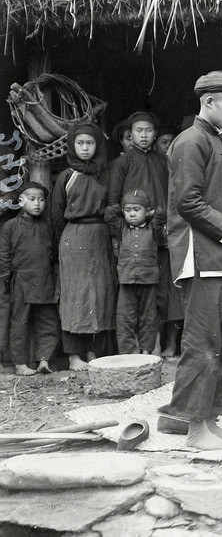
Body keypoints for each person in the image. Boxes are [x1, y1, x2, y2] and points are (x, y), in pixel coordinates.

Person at [162, 71, 222, 451]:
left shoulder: (217, 141)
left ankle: (210, 418)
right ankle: (193, 428)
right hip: (201, 257)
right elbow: (188, 202)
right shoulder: (191, 140)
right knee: (203, 343)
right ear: (208, 102)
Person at [106, 111, 179, 359]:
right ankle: (131, 349)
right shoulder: (121, 164)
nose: (144, 135)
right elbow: (113, 202)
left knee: (157, 294)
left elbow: (171, 195)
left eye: (148, 130)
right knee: (130, 298)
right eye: (139, 131)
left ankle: (153, 345)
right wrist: (118, 236)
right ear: (131, 134)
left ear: (155, 133)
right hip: (131, 236)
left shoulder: (162, 162)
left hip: (158, 234)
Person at [52, 121, 115, 372]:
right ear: (72, 145)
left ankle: (94, 351)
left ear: (97, 145)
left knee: (100, 294)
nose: (85, 148)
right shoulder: (67, 176)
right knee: (75, 296)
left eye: (90, 143)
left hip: (100, 236)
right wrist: (63, 243)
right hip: (74, 236)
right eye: (80, 143)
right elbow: (57, 214)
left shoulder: (105, 173)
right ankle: (73, 355)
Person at [0, 183, 59, 376]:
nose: (37, 204)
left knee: (48, 321)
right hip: (21, 281)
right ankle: (20, 364)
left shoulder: (47, 226)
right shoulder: (10, 226)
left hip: (44, 281)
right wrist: (8, 277)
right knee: (20, 323)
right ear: (21, 201)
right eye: (32, 199)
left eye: (41, 200)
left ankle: (44, 360)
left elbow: (53, 254)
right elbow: (4, 254)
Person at [113, 189, 164, 355]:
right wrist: (123, 207)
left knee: (148, 317)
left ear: (147, 211)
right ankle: (129, 353)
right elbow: (109, 214)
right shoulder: (122, 228)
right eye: (128, 211)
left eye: (137, 210)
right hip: (126, 280)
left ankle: (146, 351)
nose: (132, 215)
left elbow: (162, 214)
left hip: (148, 281)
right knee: (125, 317)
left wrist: (150, 213)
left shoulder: (152, 229)